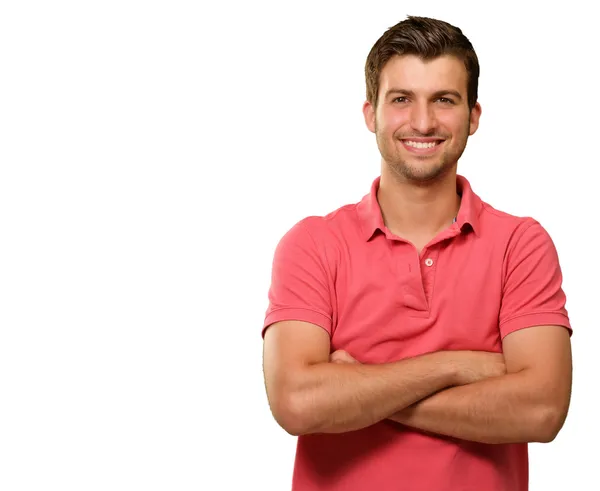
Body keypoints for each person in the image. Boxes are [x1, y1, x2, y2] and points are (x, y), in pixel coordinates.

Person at [261, 15, 572, 491]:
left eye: (443, 100)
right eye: (402, 99)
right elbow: (298, 403)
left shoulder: (520, 245)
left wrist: (362, 390)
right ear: (371, 114)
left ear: (473, 116)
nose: (423, 122)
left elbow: (542, 410)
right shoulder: (313, 244)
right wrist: (454, 366)